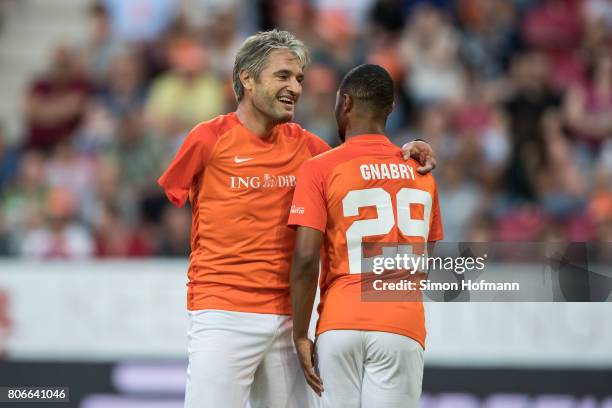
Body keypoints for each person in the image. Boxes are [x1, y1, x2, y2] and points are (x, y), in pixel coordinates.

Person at [158, 30, 436, 408]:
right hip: (222, 311)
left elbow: (361, 161)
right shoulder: (208, 139)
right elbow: (167, 199)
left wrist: (406, 150)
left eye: (299, 79)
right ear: (247, 79)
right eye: (283, 76)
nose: (295, 87)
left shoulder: (310, 148)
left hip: (291, 321)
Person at [288, 64, 444, 408]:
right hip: (400, 321)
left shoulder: (320, 168)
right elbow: (425, 261)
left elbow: (305, 258)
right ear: (390, 109)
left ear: (345, 103)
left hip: (339, 321)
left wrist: (301, 333)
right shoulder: (421, 170)